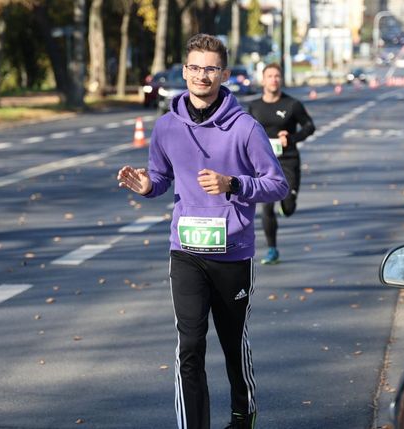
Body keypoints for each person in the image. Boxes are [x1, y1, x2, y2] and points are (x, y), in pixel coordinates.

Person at [117, 33, 289, 429]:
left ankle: (242, 415)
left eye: (211, 68)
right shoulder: (165, 127)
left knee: (232, 345)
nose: (202, 75)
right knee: (190, 347)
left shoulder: (244, 128)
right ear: (185, 72)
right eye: (195, 68)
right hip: (186, 251)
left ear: (224, 73)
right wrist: (147, 187)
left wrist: (235, 184)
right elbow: (160, 176)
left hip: (232, 253)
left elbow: (276, 184)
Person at [248, 63, 315, 265]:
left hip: (288, 160)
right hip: (264, 164)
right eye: (270, 76)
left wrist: (292, 138)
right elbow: (246, 132)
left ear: (281, 79)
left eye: (277, 76)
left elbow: (310, 126)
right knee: (266, 208)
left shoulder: (292, 105)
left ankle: (287, 203)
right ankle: (272, 249)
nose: (274, 79)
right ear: (263, 80)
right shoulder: (255, 106)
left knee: (288, 207)